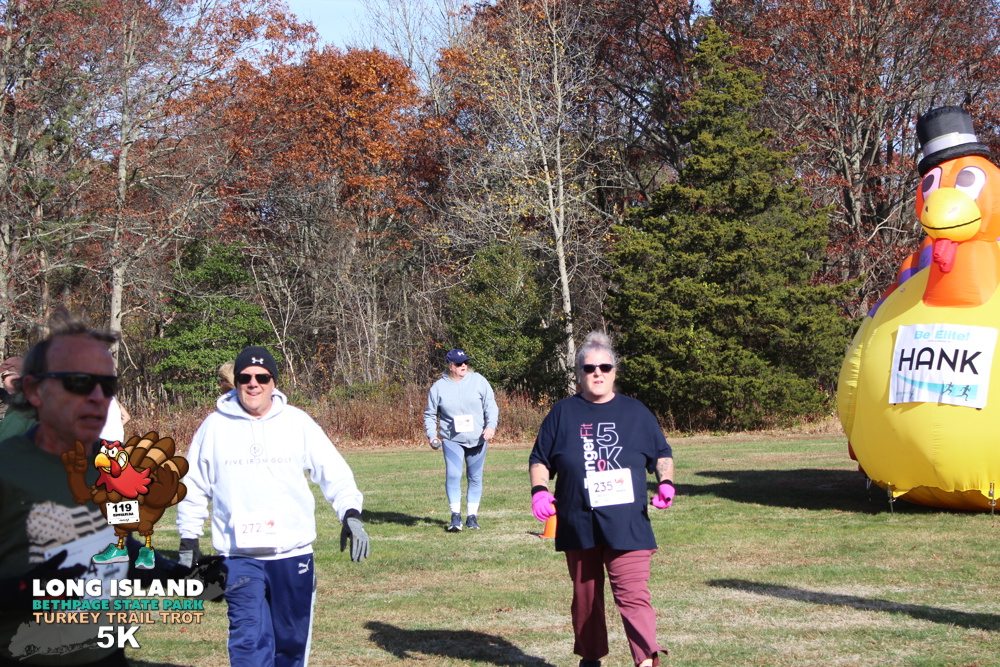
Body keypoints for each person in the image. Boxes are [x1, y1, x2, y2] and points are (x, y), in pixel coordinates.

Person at [176, 345, 369, 667]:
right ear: (236, 381)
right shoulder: (214, 427)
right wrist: (188, 539)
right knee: (248, 642)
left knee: (290, 647)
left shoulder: (297, 422)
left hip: (292, 555)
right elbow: (193, 485)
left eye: (262, 377)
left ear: (273, 382)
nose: (254, 384)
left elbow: (334, 472)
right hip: (238, 557)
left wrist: (350, 513)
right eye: (246, 377)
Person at [528, 332, 674, 667]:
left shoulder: (636, 412)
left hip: (628, 524)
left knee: (634, 596)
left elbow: (661, 454)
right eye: (590, 367)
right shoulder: (563, 412)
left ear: (614, 372)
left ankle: (646, 660)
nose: (597, 373)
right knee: (586, 600)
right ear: (579, 373)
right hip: (579, 522)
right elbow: (540, 459)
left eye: (605, 367)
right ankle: (590, 658)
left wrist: (666, 483)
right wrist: (539, 491)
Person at [0, 311, 131, 665]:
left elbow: (122, 546)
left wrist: (177, 569)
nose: (98, 397)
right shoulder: (7, 467)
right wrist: (27, 590)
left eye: (107, 386)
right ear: (34, 390)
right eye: (79, 382)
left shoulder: (112, 468)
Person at [423, 348, 499, 531]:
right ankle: (455, 516)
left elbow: (491, 406)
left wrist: (491, 426)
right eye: (459, 363)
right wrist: (432, 435)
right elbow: (430, 414)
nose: (463, 365)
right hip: (452, 439)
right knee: (454, 474)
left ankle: (472, 517)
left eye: (465, 362)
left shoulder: (479, 381)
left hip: (477, 439)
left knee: (475, 477)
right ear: (450, 366)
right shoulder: (438, 387)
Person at [0, 356, 36, 441]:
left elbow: (4, 439)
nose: (2, 381)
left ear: (16, 377)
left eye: (4, 377)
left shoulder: (24, 404)